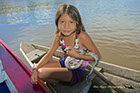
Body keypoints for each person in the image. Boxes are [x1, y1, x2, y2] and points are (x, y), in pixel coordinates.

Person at [31, 4, 101, 85]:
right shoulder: (59, 36)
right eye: (62, 22)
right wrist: (35, 68)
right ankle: (58, 79)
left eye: (71, 22)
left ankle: (59, 80)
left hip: (78, 69)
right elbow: (49, 54)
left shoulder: (82, 36)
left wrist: (77, 55)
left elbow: (98, 57)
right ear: (57, 22)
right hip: (65, 62)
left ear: (77, 23)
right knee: (40, 68)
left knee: (40, 73)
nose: (66, 26)